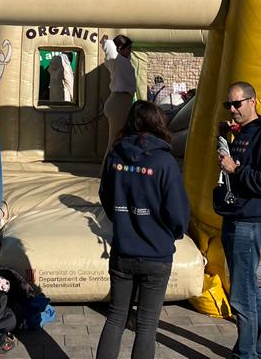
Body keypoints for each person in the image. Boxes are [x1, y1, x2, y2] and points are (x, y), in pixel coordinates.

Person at [97, 101, 189, 359]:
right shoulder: (164, 162)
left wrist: (121, 220)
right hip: (156, 253)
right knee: (147, 327)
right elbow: (177, 211)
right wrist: (172, 232)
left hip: (123, 251)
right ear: (158, 122)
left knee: (115, 318)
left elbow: (105, 194)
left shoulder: (115, 156)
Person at [214, 81, 261, 359]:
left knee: (241, 297)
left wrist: (236, 168)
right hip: (237, 218)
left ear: (252, 101)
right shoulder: (244, 132)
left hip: (250, 223)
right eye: (228, 105)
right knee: (250, 289)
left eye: (237, 104)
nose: (232, 110)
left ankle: (247, 353)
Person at [102, 35, 136, 150]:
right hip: (118, 103)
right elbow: (110, 47)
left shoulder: (124, 62)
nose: (130, 52)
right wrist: (105, 41)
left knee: (118, 140)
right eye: (128, 49)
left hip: (121, 103)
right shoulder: (116, 60)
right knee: (114, 142)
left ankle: (111, 165)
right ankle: (108, 167)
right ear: (120, 48)